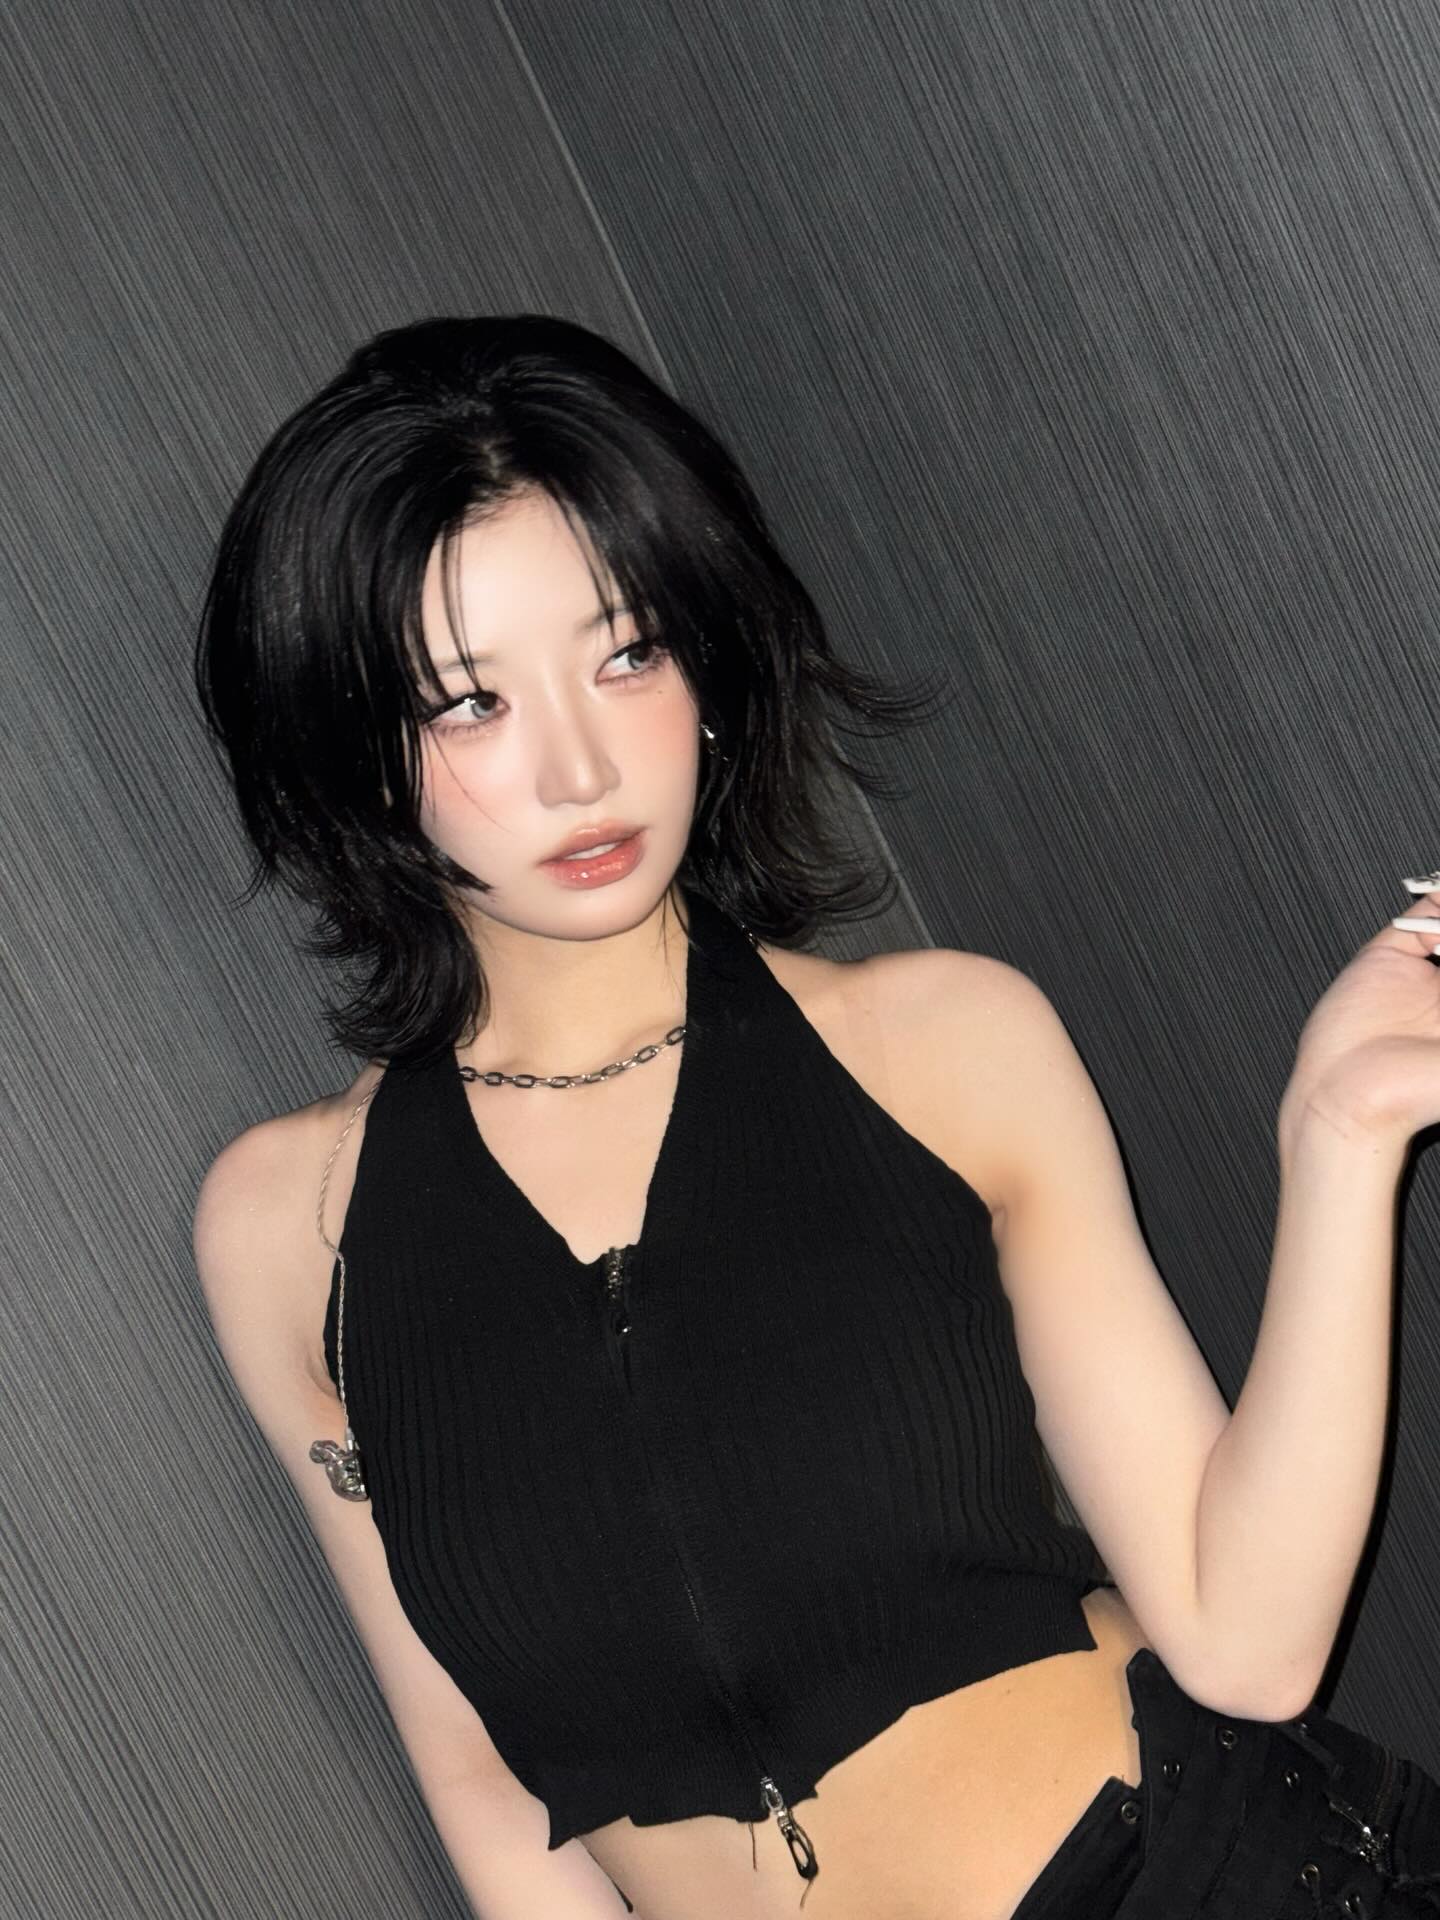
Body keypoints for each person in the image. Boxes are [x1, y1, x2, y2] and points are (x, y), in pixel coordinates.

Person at [192, 314, 1440, 1920]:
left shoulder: (942, 1042)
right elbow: (487, 1781)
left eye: (627, 653)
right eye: (470, 704)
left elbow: (1248, 1643)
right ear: (356, 754)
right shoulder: (287, 1227)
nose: (579, 767)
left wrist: (1342, 1135)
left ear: (705, 664)